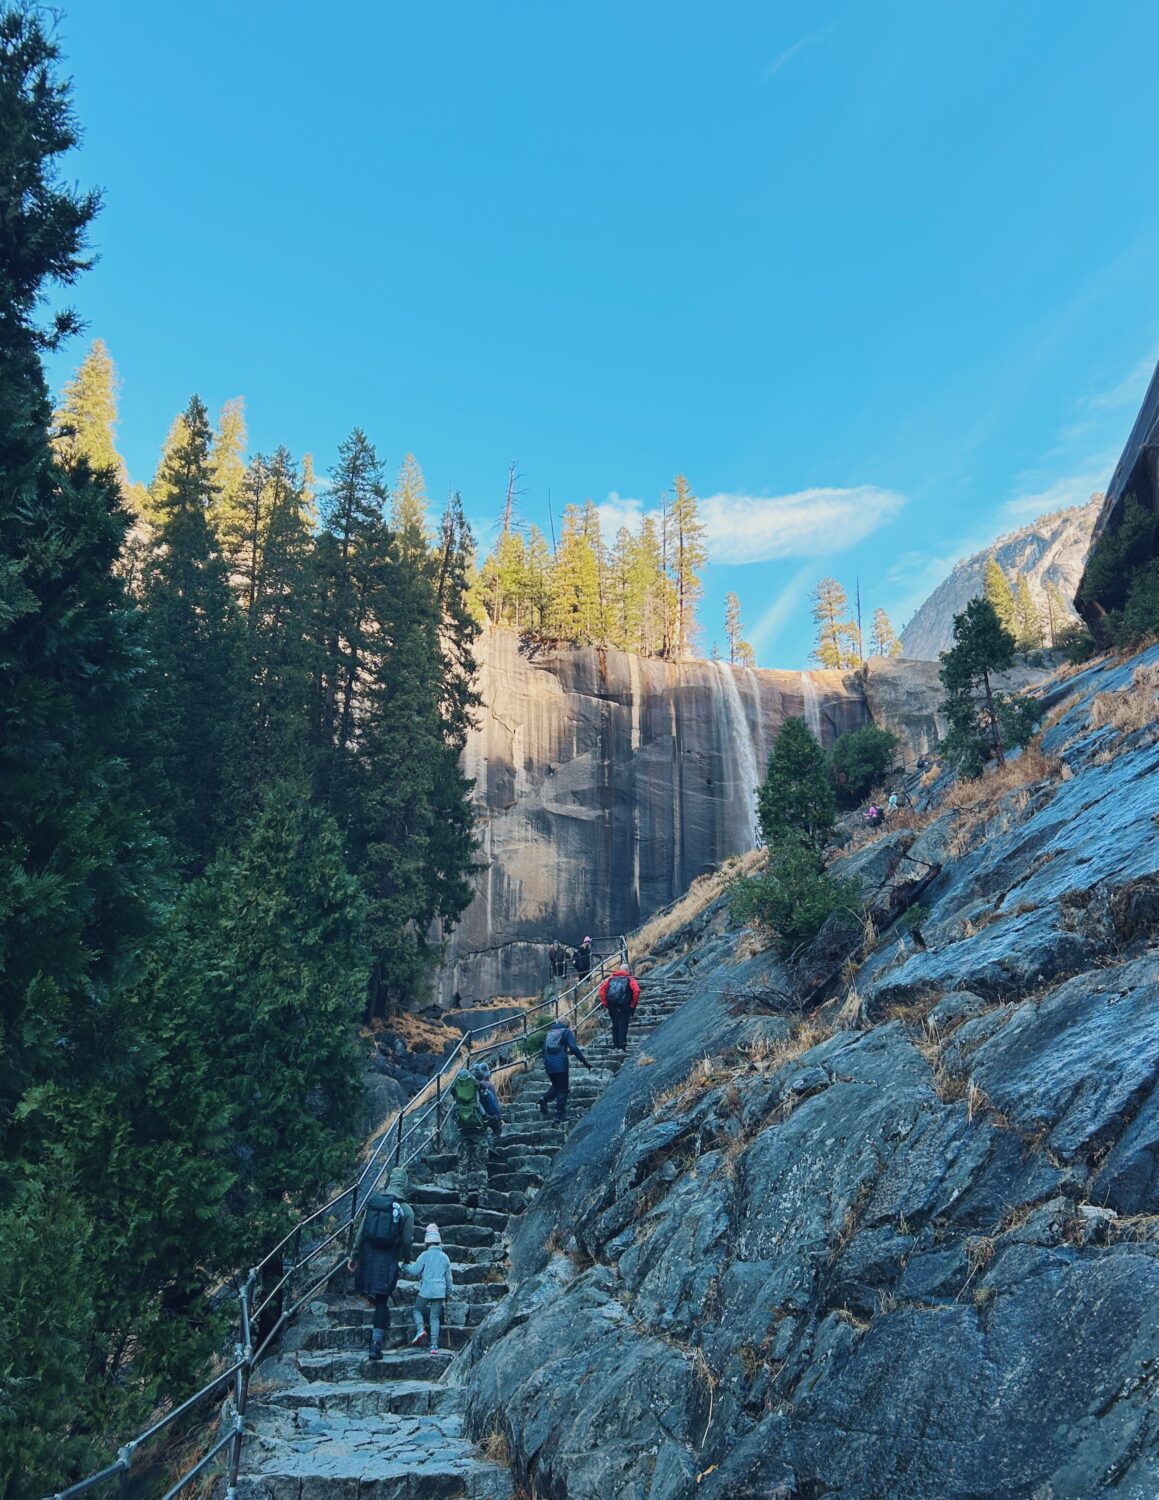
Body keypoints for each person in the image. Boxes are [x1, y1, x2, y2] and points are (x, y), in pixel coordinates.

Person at [347, 1165, 415, 1360]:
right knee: (382, 1300)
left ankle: (378, 1334)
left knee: (376, 1298)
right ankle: (376, 1344)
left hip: (368, 1255)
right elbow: (407, 1239)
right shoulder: (406, 1210)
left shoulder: (375, 1203)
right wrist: (406, 1259)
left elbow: (361, 1232)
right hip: (388, 1256)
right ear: (405, 1185)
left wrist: (354, 1256)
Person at [405, 1223, 454, 1356]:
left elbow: (415, 1271)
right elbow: (449, 1278)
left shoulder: (424, 1255)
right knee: (435, 1317)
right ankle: (434, 1346)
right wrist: (448, 1292)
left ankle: (420, 1329)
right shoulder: (445, 1257)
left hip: (426, 1290)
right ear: (439, 1241)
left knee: (417, 1310)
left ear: (427, 1242)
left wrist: (404, 1266)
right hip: (439, 1291)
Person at [538, 1019, 591, 1122]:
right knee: (563, 1089)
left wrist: (547, 1063)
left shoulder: (550, 1033)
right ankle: (559, 1115)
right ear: (568, 1025)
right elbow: (574, 1048)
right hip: (560, 1064)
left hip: (549, 1065)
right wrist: (585, 1062)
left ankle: (544, 1099)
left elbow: (543, 1049)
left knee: (556, 1086)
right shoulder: (566, 1032)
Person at [452, 1066, 489, 1185]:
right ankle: (482, 1198)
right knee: (481, 1166)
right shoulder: (475, 1083)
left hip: (463, 1129)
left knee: (463, 1165)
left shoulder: (455, 1087)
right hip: (478, 1128)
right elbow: (484, 1093)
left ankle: (463, 1197)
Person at [599, 964, 641, 1052]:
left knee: (615, 1023)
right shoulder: (630, 979)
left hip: (612, 1004)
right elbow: (636, 991)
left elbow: (602, 990)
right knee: (623, 1023)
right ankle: (622, 1044)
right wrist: (633, 1004)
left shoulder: (610, 978)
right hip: (624, 1005)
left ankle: (616, 1044)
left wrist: (605, 1003)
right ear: (627, 970)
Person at [472, 1060, 503, 1138]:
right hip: (487, 1115)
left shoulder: (471, 1086)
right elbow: (493, 1105)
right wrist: (499, 1117)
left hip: (474, 1116)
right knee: (496, 1125)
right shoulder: (488, 1086)